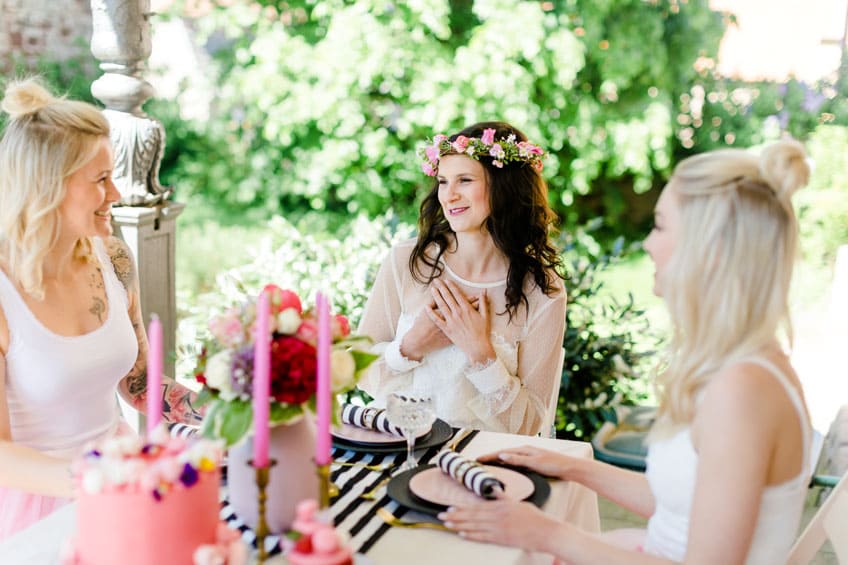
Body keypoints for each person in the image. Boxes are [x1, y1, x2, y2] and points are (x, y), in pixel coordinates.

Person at [440, 138, 813, 564]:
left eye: (660, 226)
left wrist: (550, 535)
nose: (649, 245)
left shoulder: (742, 391)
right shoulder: (737, 368)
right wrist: (573, 465)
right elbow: (683, 506)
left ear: (708, 250)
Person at [0, 79, 199, 539]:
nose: (115, 194)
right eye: (100, 179)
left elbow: (138, 383)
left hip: (125, 483)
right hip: (43, 507)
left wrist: (226, 412)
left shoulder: (112, 256)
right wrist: (104, 479)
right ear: (47, 186)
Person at [357, 121, 566, 436]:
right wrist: (412, 345)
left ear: (504, 187)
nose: (448, 195)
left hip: (483, 464)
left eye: (465, 180)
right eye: (443, 181)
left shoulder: (542, 290)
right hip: (398, 445)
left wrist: (481, 353)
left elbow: (529, 425)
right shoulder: (406, 262)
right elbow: (357, 371)